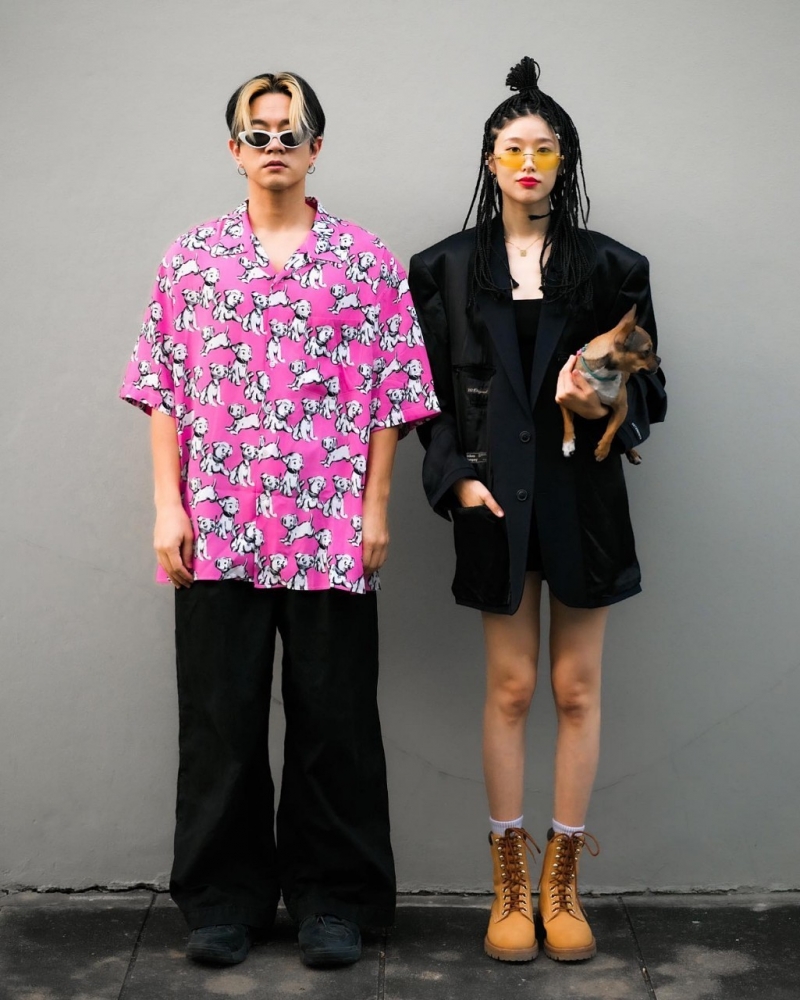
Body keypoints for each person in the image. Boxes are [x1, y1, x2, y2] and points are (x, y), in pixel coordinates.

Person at [120, 71, 438, 970]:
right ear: (234, 149)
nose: (273, 145)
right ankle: (225, 901)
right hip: (217, 522)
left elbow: (393, 393)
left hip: (328, 526)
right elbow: (163, 389)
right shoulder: (192, 260)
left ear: (315, 148)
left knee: (335, 720)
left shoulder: (363, 260)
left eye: (289, 132)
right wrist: (167, 506)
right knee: (219, 720)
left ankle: (334, 901)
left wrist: (375, 508)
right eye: (256, 133)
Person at [409, 56, 666, 964]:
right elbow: (422, 396)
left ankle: (563, 885)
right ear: (489, 161)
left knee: (576, 689)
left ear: (565, 161)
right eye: (512, 148)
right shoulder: (442, 268)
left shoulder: (613, 267)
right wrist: (455, 481)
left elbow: (653, 389)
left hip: (582, 498)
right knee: (513, 689)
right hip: (493, 499)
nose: (528, 163)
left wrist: (605, 398)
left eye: (544, 149)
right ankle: (509, 885)